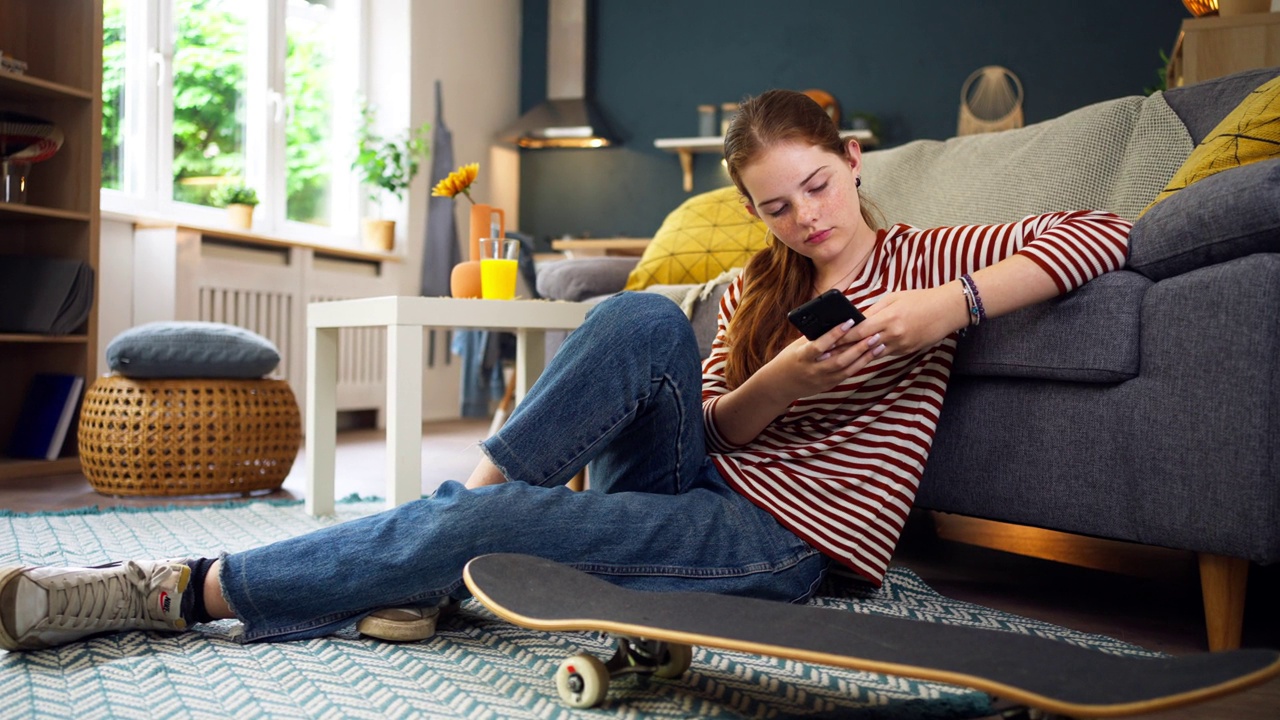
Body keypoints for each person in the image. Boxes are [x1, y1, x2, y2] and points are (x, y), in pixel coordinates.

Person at [0, 89, 1131, 652]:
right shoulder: (754, 288)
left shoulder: (936, 256)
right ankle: (468, 517)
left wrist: (945, 306)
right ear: (753, 208)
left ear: (849, 163)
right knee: (640, 316)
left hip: (780, 546)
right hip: (702, 487)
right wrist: (779, 385)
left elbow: (1101, 235)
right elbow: (719, 432)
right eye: (776, 208)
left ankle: (171, 591)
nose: (806, 221)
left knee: (464, 538)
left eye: (818, 190)